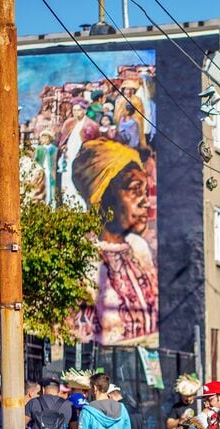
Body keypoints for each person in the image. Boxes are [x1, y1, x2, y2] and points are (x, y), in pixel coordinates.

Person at [71, 137, 158, 345]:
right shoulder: (84, 257)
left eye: (145, 191)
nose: (145, 201)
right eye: (135, 189)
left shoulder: (139, 248)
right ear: (104, 197)